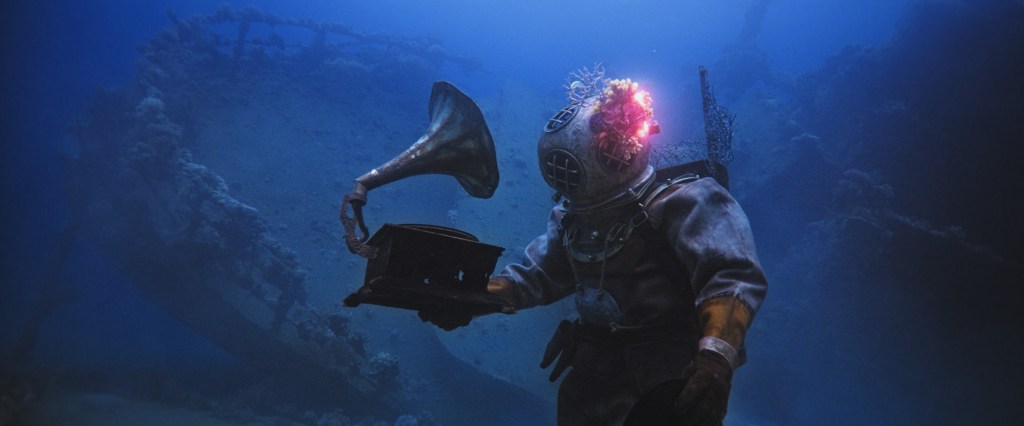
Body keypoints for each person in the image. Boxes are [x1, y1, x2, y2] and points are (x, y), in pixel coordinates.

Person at [422, 77, 767, 426]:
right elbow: (535, 279)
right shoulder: (570, 220)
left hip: (669, 384)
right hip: (590, 383)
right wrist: (469, 298)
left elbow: (730, 278)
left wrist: (715, 360)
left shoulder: (687, 201)